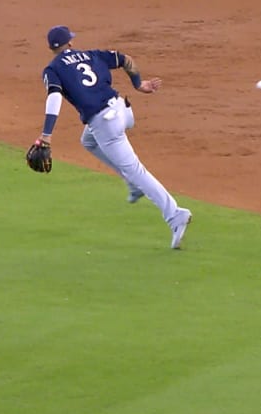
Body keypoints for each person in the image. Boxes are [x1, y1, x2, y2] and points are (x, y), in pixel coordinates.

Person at [36, 25, 192, 249]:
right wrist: (139, 84)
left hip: (106, 125)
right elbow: (125, 59)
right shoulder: (91, 55)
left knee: (136, 170)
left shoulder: (53, 69)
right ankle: (133, 185)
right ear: (70, 43)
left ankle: (175, 214)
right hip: (124, 110)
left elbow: (54, 99)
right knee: (87, 141)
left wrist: (47, 134)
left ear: (52, 49)